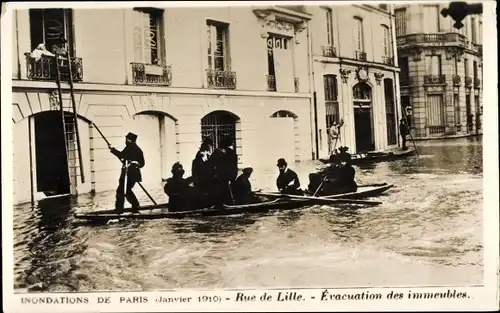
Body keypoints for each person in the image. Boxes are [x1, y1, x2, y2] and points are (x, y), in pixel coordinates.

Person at [108, 132, 145, 214]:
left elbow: (121, 155)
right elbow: (142, 163)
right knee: (127, 190)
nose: (125, 141)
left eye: (126, 139)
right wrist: (135, 164)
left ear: (130, 140)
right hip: (134, 175)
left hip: (128, 175)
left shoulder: (130, 148)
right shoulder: (138, 149)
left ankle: (119, 210)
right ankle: (135, 206)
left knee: (120, 191)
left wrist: (112, 149)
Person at [191, 137, 215, 206]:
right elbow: (196, 171)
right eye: (210, 145)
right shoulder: (198, 158)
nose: (210, 147)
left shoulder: (208, 155)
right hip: (201, 180)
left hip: (207, 180)